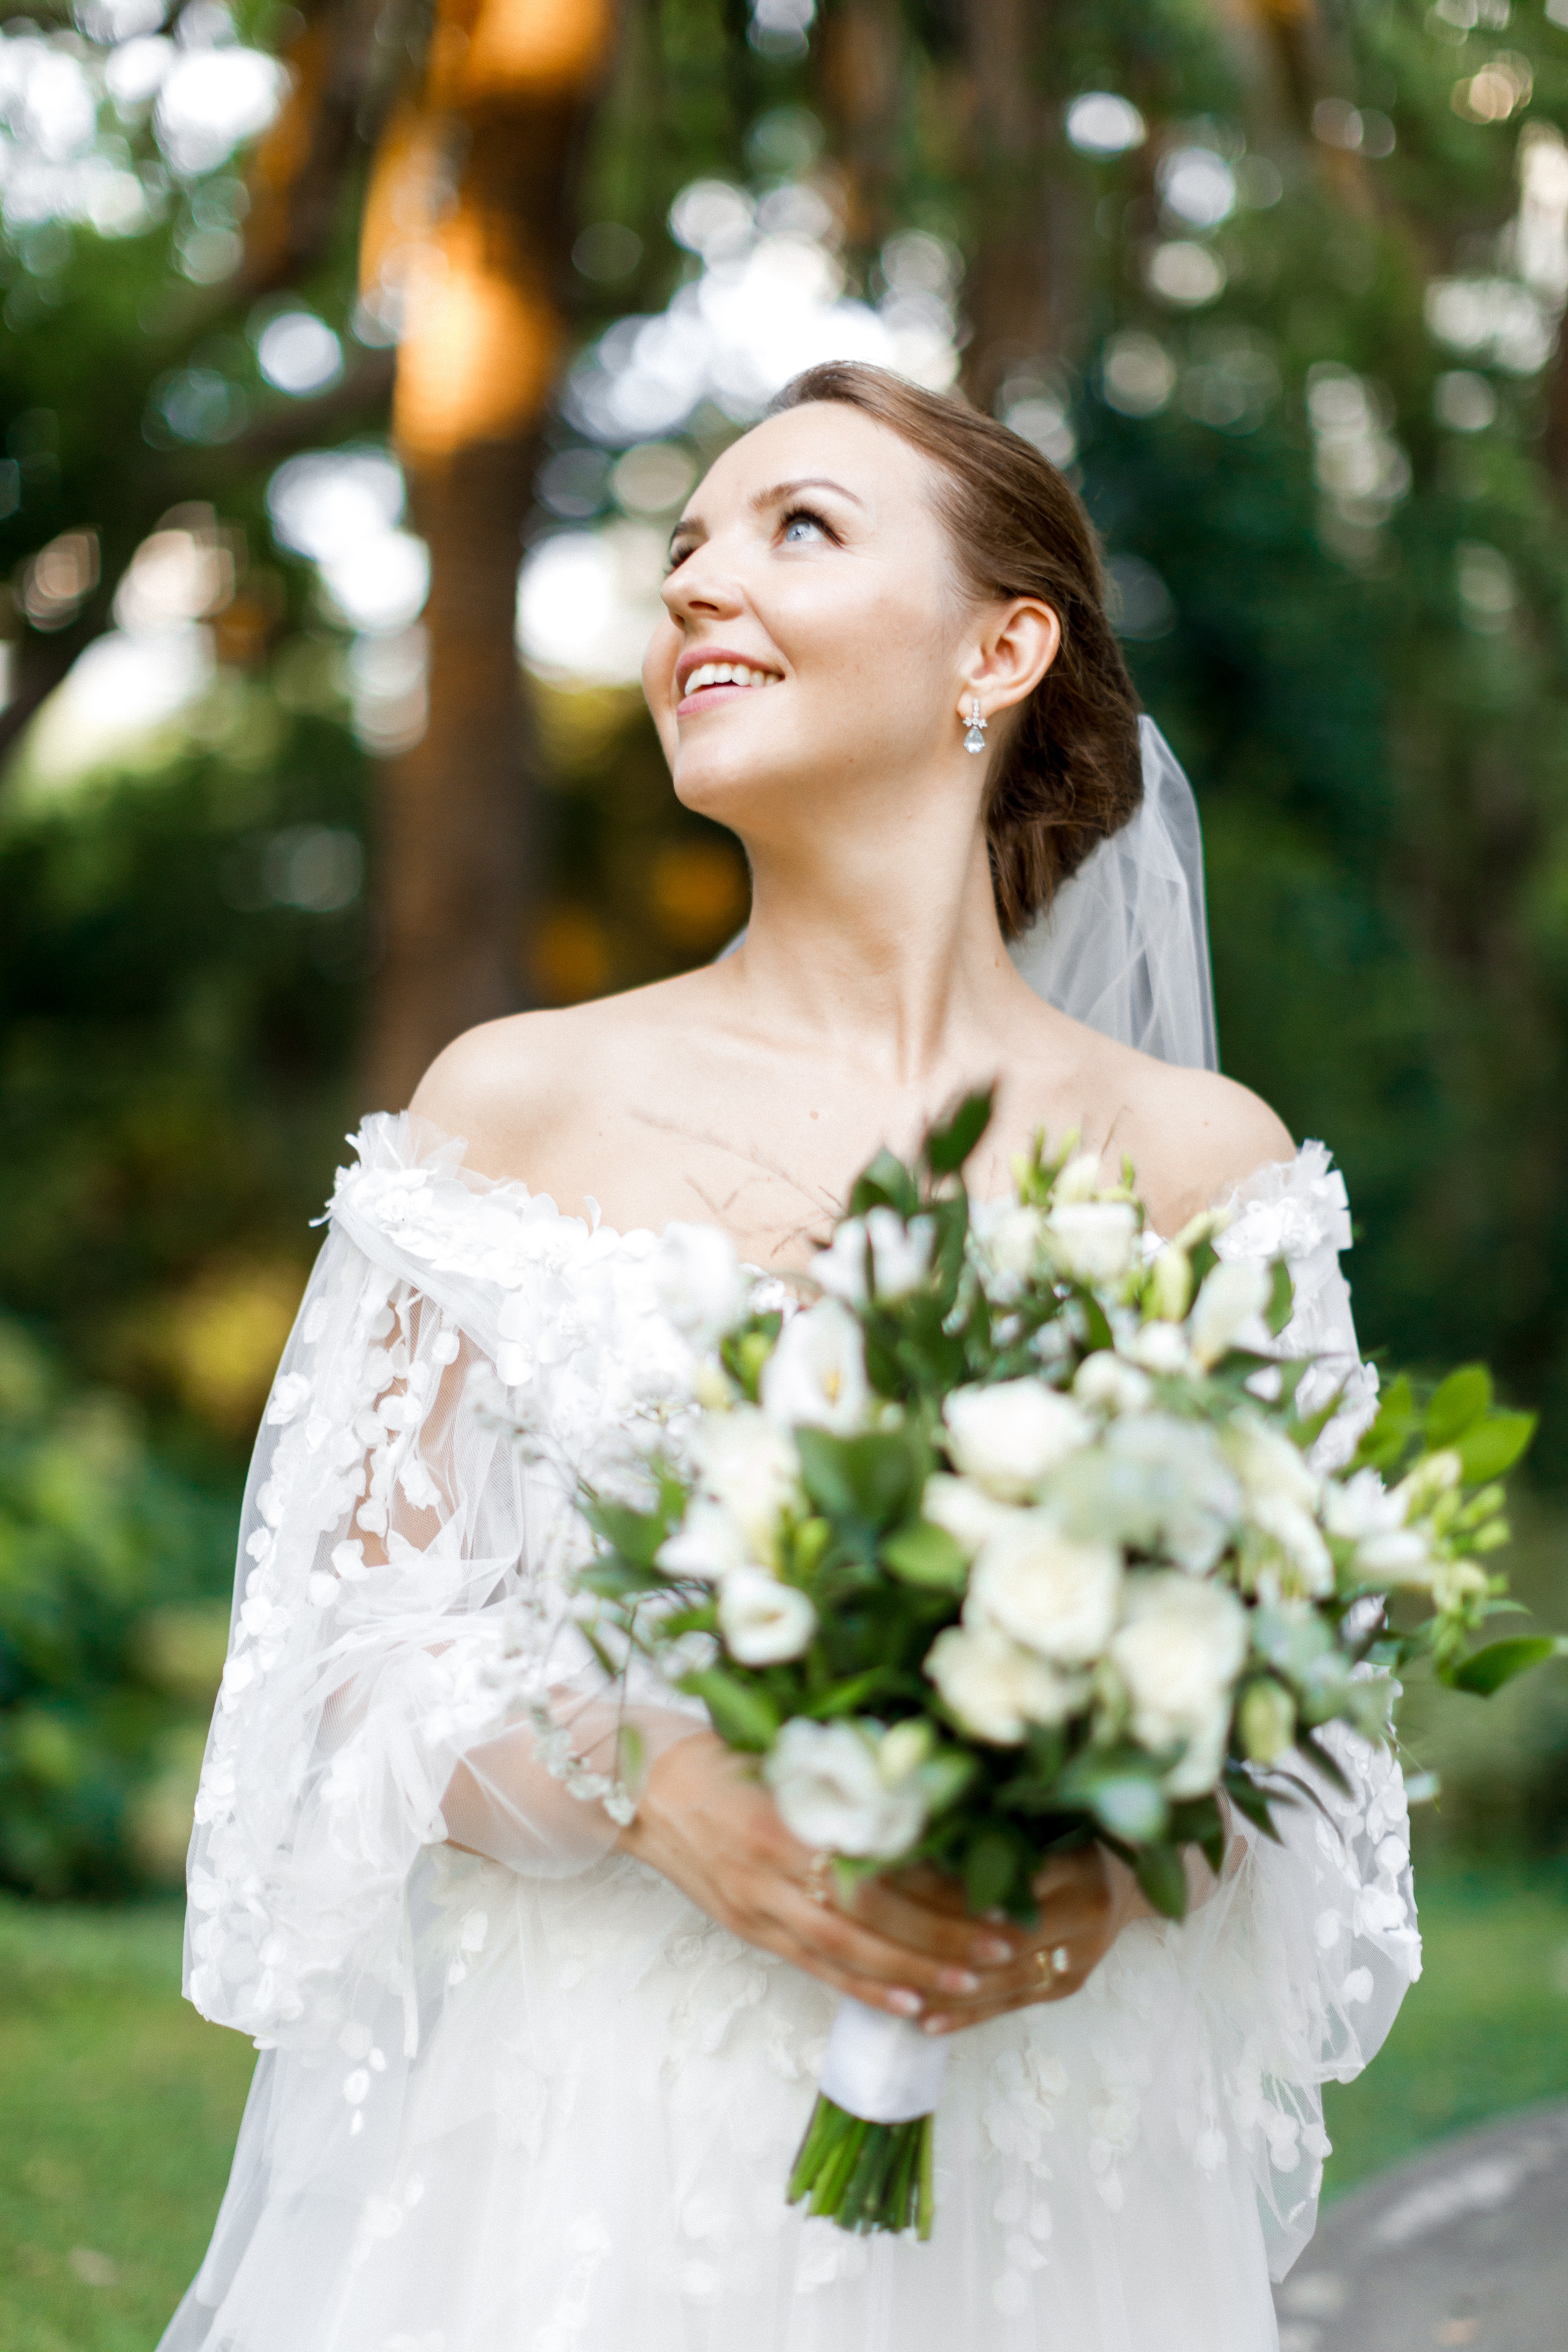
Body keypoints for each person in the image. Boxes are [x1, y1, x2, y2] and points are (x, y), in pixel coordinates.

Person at [162, 363, 1419, 2352]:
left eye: (797, 529)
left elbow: (1309, 1736)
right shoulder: (515, 1105)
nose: (691, 588)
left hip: (1051, 2168)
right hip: (579, 2162)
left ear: (999, 651)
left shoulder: (1207, 1169)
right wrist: (639, 1770)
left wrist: (1116, 1862)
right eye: (679, 552)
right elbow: (335, 1674)